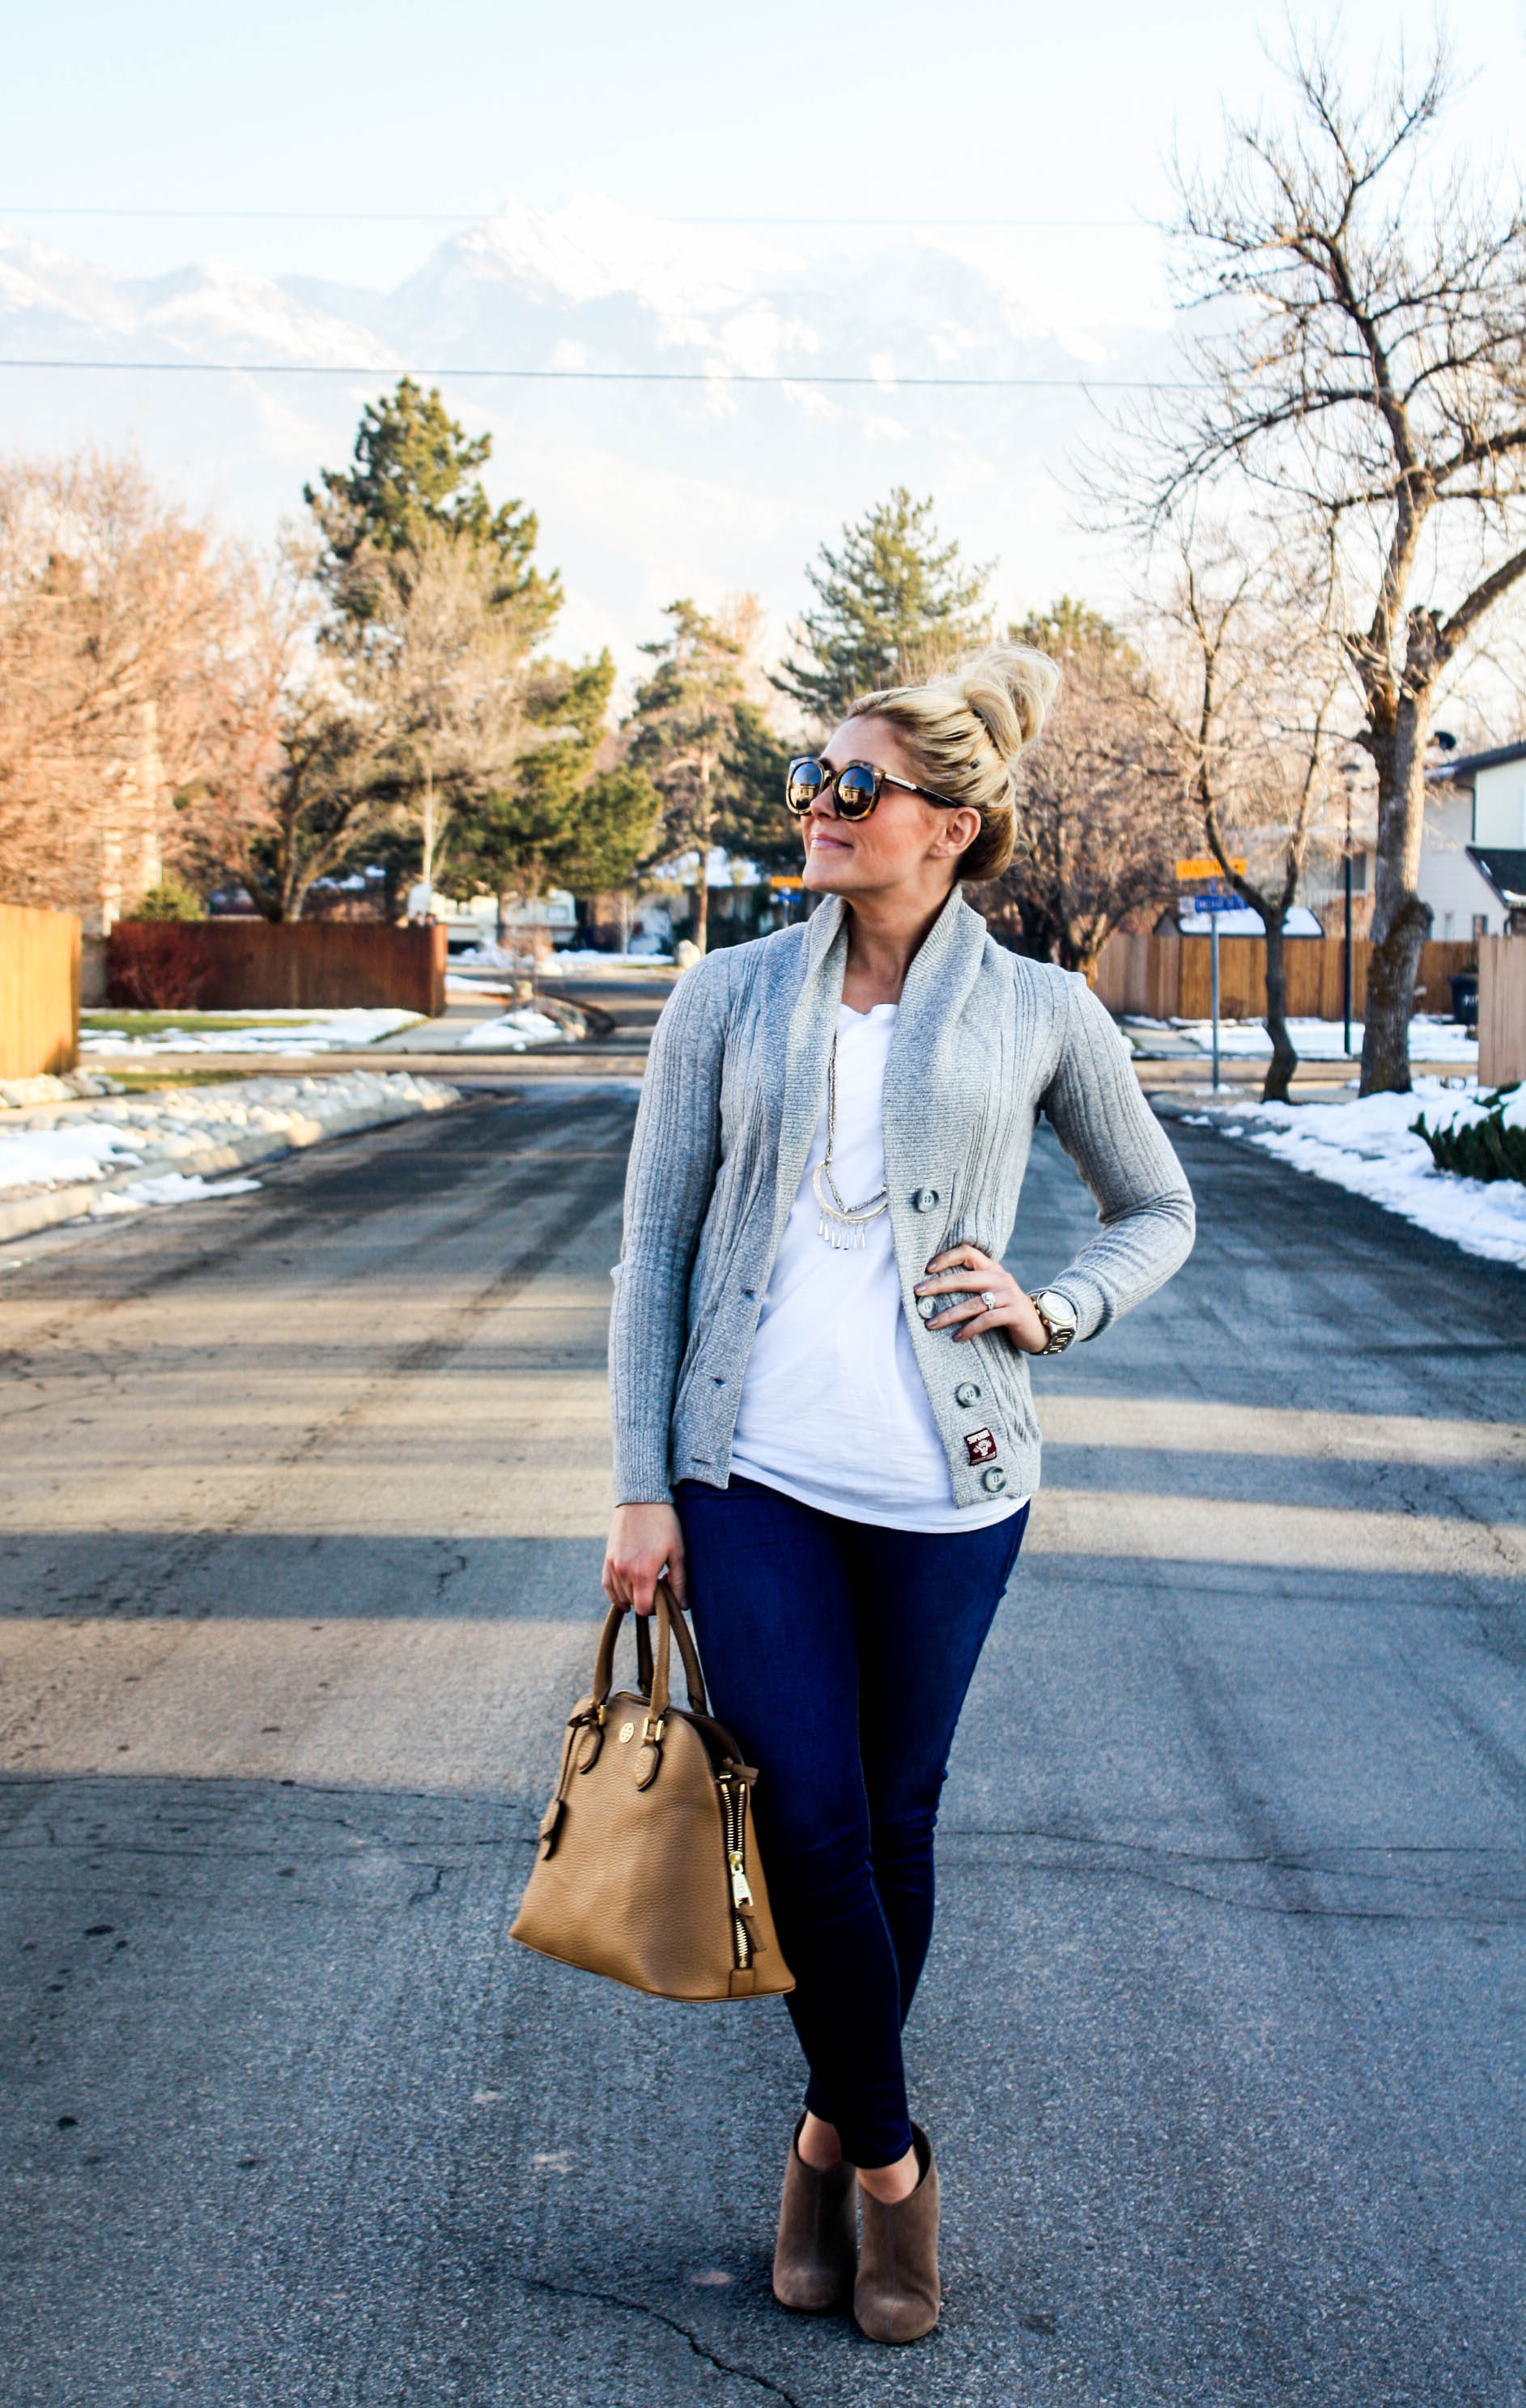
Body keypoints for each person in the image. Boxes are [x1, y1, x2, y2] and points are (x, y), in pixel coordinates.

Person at [602, 646, 1194, 2344]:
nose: (817, 804)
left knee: (893, 1819)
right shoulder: (724, 994)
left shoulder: (1040, 1010)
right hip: (751, 1470)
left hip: (951, 1485)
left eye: (853, 786)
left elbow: (1155, 1208)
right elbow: (653, 1248)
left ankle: (816, 2138)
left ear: (950, 825)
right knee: (803, 1812)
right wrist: (640, 1486)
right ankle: (889, 2162)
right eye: (812, 777)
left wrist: (1051, 1305)